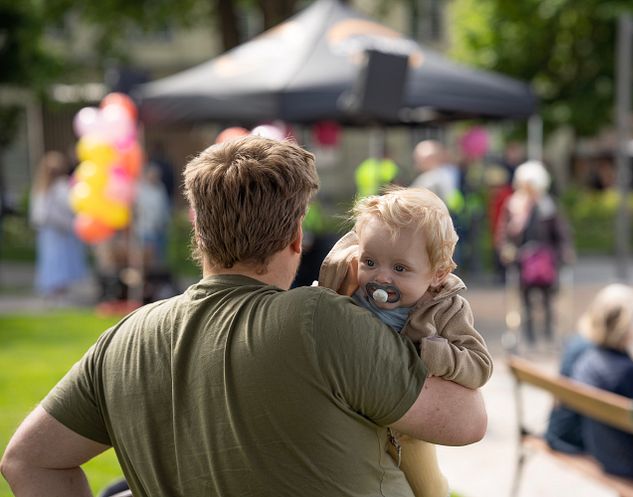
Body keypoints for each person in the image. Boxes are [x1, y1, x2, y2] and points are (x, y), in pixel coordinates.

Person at [1, 136, 487, 497]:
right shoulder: (321, 318)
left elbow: (27, 461)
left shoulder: (121, 340)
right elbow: (467, 420)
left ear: (200, 232)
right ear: (297, 237)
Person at [317, 186, 493, 497]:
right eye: (371, 262)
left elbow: (479, 366)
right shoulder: (348, 279)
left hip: (408, 427)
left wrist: (432, 353)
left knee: (428, 488)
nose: (381, 278)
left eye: (400, 269)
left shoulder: (446, 309)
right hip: (353, 414)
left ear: (437, 274)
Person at [570, 283, 633, 480]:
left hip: (602, 451)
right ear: (628, 327)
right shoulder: (627, 373)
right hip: (631, 464)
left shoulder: (588, 360)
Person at [495, 160, 574, 346]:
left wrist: (564, 252)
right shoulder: (513, 205)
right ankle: (528, 336)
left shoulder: (549, 205)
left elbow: (561, 232)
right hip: (521, 261)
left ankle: (548, 335)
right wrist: (506, 249)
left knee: (548, 299)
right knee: (525, 301)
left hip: (546, 261)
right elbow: (503, 232)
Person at [29, 150, 88, 298]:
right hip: (51, 231)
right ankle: (54, 288)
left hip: (62, 230)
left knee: (62, 259)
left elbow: (70, 206)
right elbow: (39, 214)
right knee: (53, 259)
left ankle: (61, 288)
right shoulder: (43, 189)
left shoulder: (60, 187)